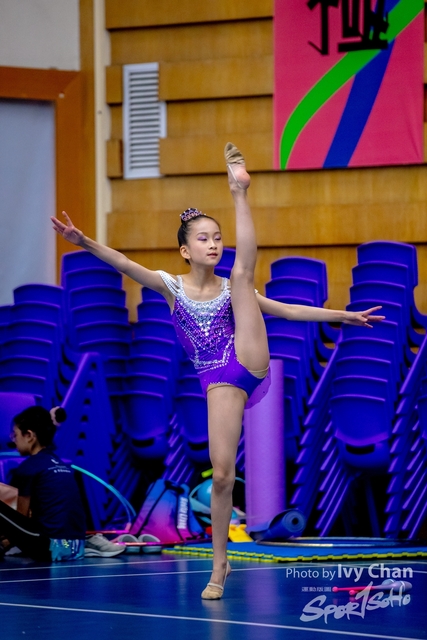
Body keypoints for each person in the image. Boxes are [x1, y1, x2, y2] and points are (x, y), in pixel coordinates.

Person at [51, 143, 384, 595]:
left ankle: (238, 190)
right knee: (223, 475)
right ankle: (220, 564)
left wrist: (345, 316)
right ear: (185, 250)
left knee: (243, 278)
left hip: (247, 357)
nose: (212, 244)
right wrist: (84, 241)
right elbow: (125, 264)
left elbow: (287, 310)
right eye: (203, 239)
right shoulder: (171, 286)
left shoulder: (233, 288)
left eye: (217, 237)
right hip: (217, 377)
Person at [0, 406, 125, 561]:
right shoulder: (59, 463)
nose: (13, 441)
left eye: (15, 435)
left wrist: (7, 541)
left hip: (50, 548)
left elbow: (21, 520)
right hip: (74, 546)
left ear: (30, 436)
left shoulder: (28, 468)